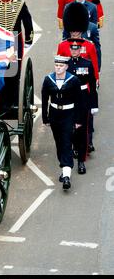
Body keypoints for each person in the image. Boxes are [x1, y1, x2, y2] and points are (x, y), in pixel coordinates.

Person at [41, 55, 83, 190]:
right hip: (54, 114)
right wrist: (45, 117)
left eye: (61, 66)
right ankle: (64, 166)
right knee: (59, 142)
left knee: (66, 142)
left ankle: (66, 176)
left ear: (66, 67)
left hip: (69, 114)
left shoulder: (74, 80)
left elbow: (79, 101)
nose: (58, 68)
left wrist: (78, 120)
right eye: (56, 66)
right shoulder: (48, 80)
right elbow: (44, 99)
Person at [67, 40, 98, 174]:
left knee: (83, 131)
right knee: (71, 128)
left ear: (80, 50)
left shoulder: (87, 64)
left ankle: (81, 161)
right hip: (69, 99)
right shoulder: (65, 64)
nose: (74, 51)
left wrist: (93, 105)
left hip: (83, 99)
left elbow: (92, 86)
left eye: (76, 49)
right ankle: (74, 147)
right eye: (72, 49)